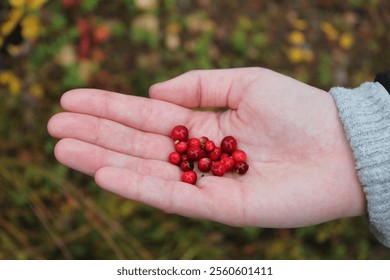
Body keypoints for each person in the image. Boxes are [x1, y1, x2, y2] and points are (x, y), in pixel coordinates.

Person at [47, 67, 390, 247]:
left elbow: (209, 157)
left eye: (197, 154)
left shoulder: (211, 156)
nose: (195, 153)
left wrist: (353, 137)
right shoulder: (203, 154)